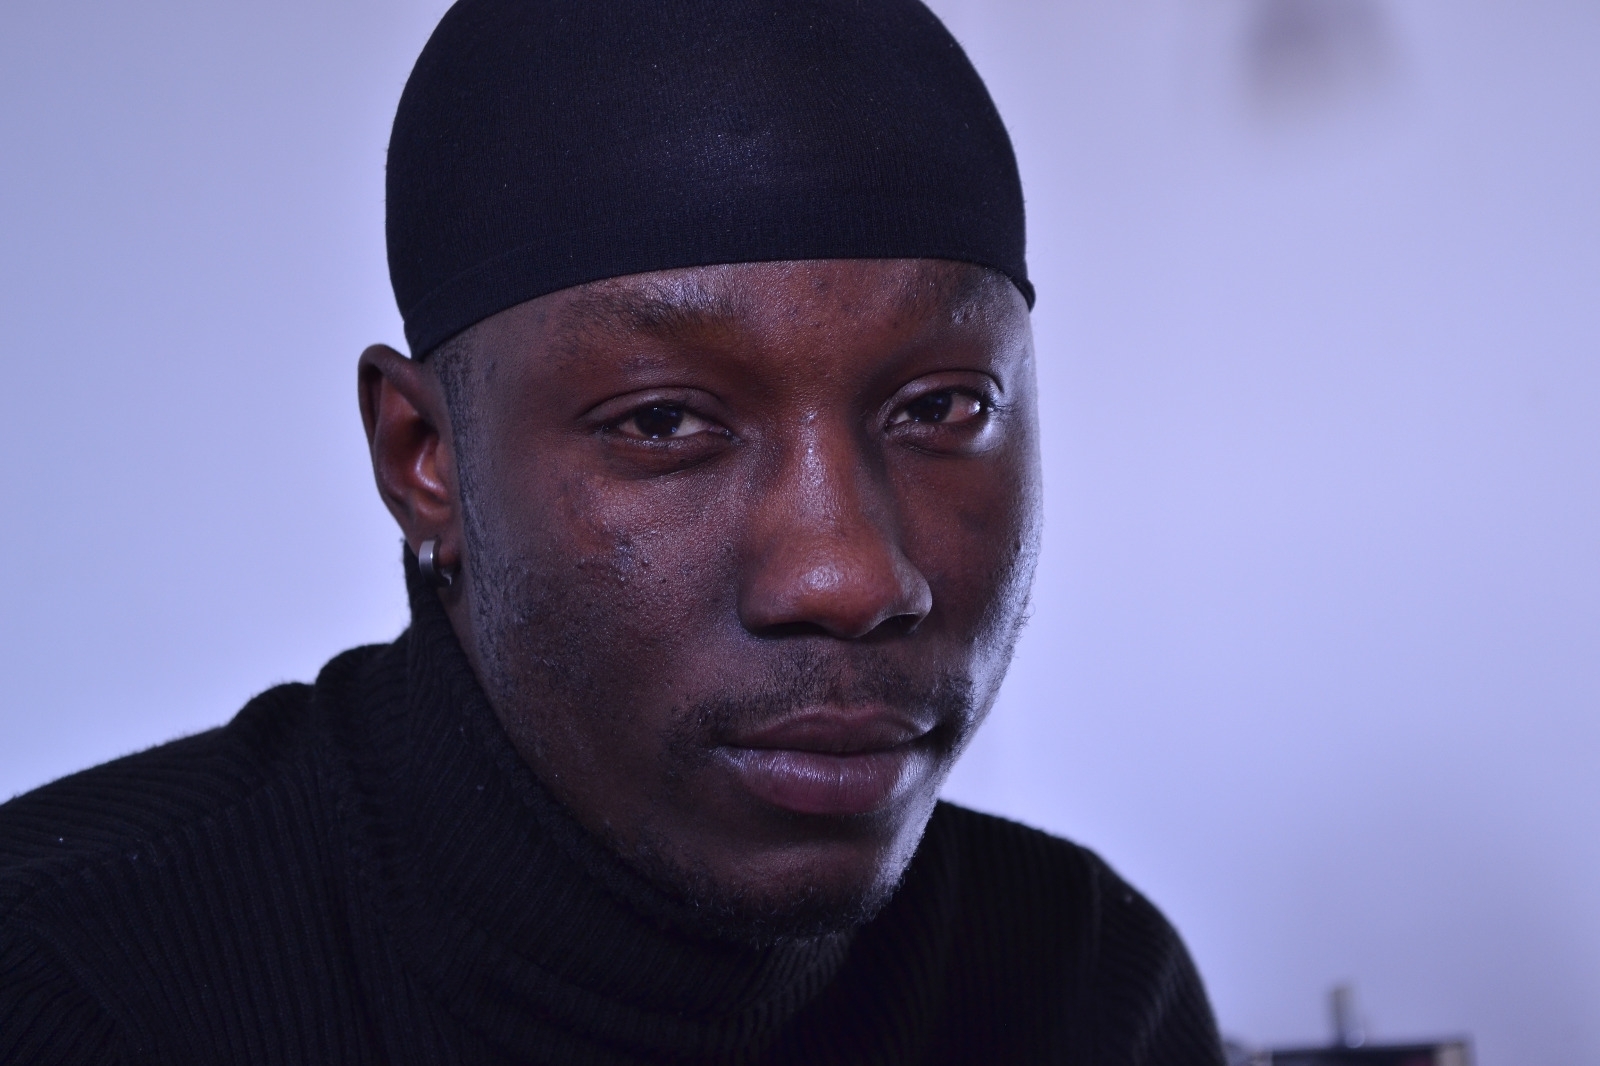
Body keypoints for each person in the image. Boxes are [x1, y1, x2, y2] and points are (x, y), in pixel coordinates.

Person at [0, 1, 1225, 1062]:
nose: (848, 575)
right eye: (663, 421)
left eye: (940, 408)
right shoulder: (64, 988)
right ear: (425, 459)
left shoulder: (1083, 986)